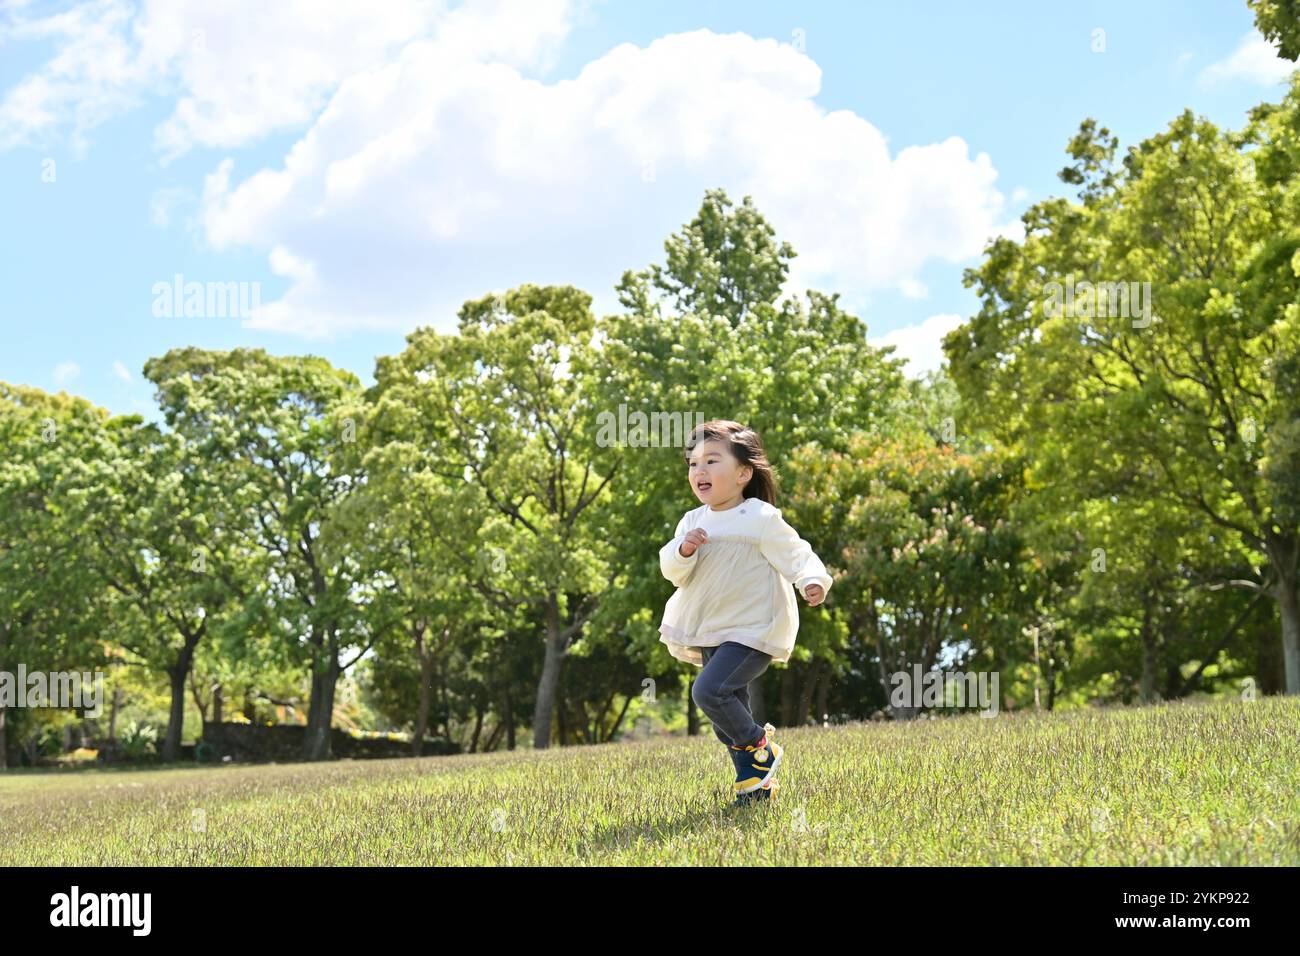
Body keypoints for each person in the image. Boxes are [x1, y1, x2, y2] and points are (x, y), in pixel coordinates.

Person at [658, 419, 832, 807]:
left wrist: (811, 580)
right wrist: (683, 549)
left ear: (743, 473)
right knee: (726, 719)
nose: (699, 471)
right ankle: (756, 788)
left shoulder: (759, 517)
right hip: (710, 628)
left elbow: (796, 552)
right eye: (693, 463)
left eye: (711, 461)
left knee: (708, 691)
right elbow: (672, 572)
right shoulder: (692, 521)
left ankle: (761, 748)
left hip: (753, 629)